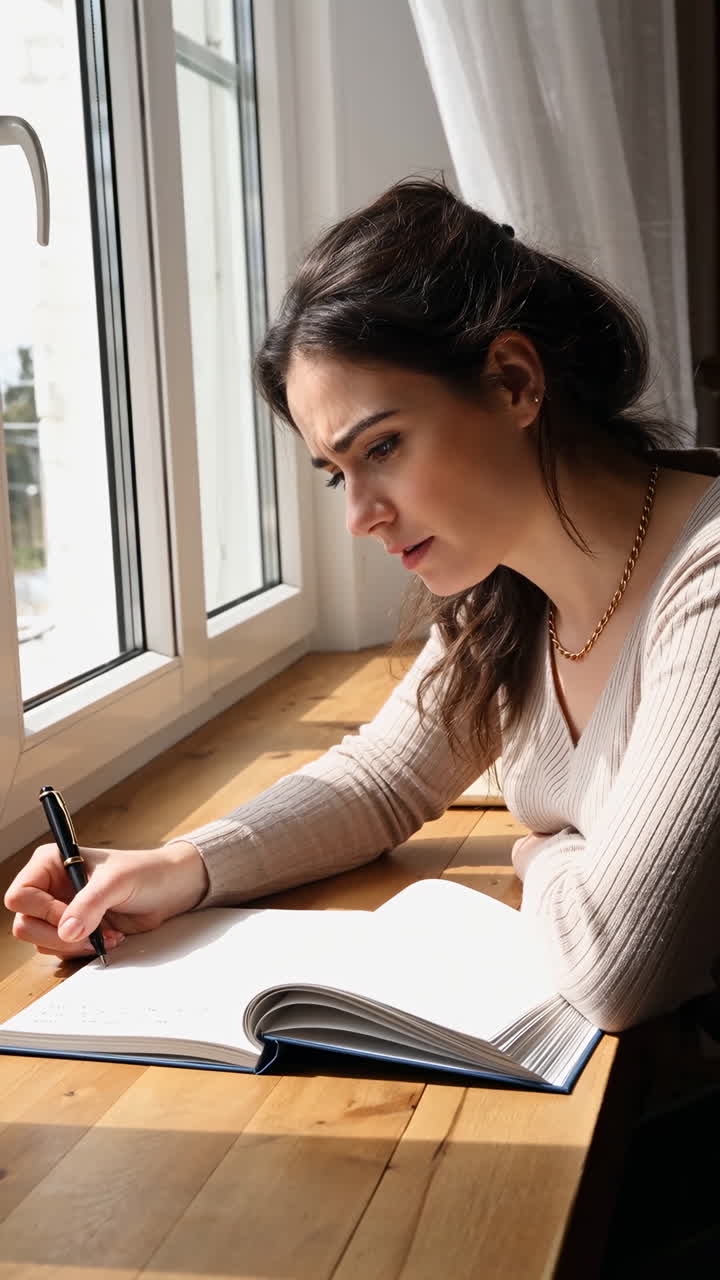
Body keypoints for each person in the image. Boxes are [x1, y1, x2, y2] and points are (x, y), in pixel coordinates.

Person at [5, 175, 720, 1037]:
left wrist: (545, 852)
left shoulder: (707, 584)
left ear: (513, 381)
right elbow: (386, 778)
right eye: (337, 473)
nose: (360, 516)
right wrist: (181, 867)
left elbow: (616, 966)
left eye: (382, 447)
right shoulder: (506, 590)